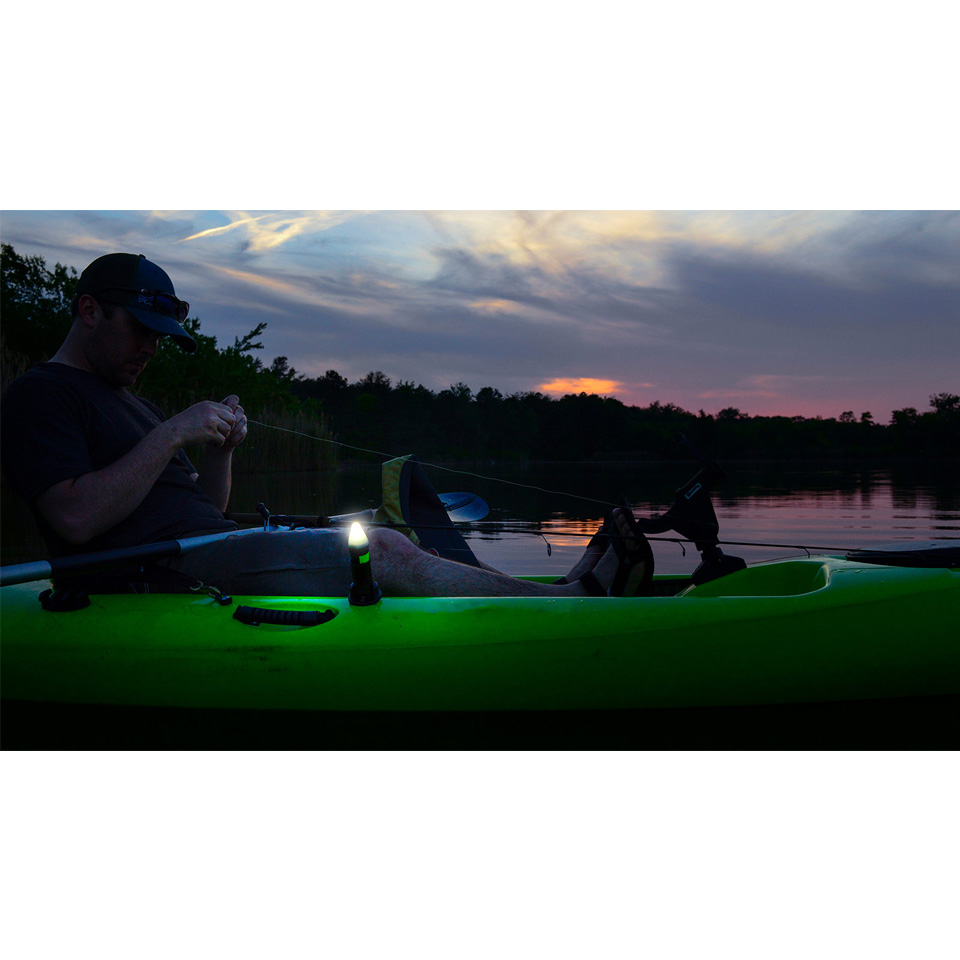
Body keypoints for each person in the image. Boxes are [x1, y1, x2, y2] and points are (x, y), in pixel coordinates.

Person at [0, 253, 651, 598]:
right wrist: (172, 432)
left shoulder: (129, 401)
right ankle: (574, 603)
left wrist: (222, 449)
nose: (151, 348)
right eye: (142, 330)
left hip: (209, 546)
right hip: (155, 574)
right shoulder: (41, 395)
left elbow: (205, 510)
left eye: (162, 335)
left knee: (401, 539)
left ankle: (549, 590)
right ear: (89, 310)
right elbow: (74, 518)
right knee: (382, 550)